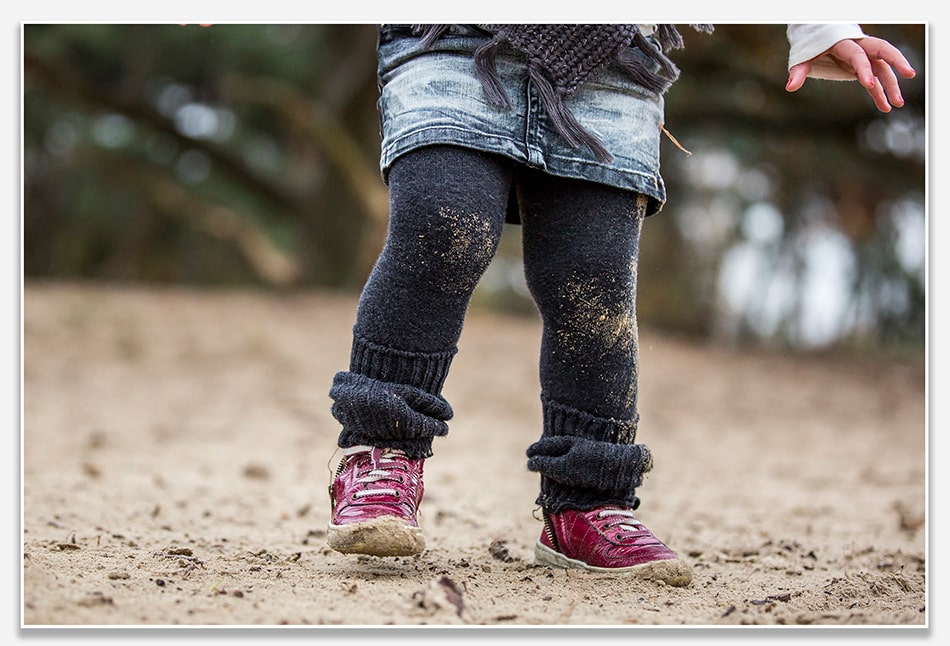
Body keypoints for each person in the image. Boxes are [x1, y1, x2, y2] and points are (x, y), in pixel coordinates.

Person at [324, 23, 916, 586]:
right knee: (445, 225)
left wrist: (816, 26)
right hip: (450, 40)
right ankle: (381, 452)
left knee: (594, 285)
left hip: (615, 60)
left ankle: (588, 500)